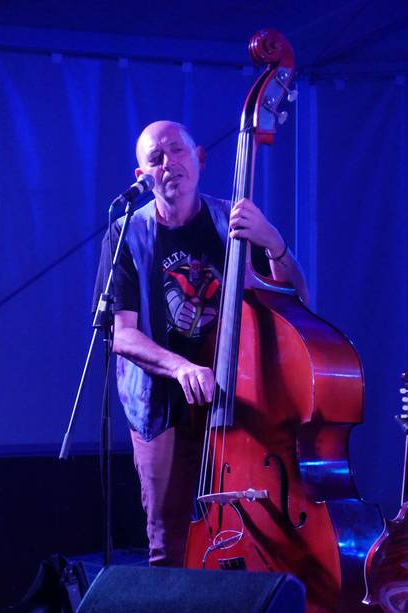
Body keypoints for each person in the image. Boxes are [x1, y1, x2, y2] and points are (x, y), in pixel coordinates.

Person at [93, 120, 309, 567]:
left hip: (237, 395)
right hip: (161, 401)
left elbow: (297, 302)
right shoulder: (126, 232)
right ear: (141, 176)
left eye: (177, 151)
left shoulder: (233, 222)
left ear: (200, 159)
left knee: (252, 530)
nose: (168, 163)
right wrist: (181, 367)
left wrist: (273, 242)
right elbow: (122, 334)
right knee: (167, 541)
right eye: (156, 158)